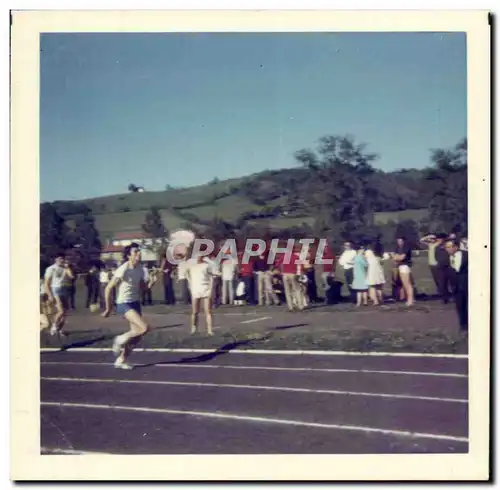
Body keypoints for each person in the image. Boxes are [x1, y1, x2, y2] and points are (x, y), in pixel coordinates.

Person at [102, 243, 158, 369]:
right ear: (128, 256)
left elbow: (143, 289)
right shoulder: (123, 268)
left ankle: (121, 360)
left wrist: (152, 283)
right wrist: (108, 308)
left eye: (139, 251)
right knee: (145, 328)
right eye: (135, 252)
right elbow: (108, 288)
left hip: (135, 302)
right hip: (124, 303)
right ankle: (119, 339)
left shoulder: (140, 268)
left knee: (137, 336)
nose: (139, 254)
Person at [44, 252, 74, 336]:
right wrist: (49, 295)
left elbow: (71, 276)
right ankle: (54, 327)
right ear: (56, 259)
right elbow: (46, 283)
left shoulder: (65, 268)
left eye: (63, 258)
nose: (62, 260)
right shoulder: (51, 269)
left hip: (65, 289)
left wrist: (67, 267)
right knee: (61, 311)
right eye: (60, 258)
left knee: (65, 313)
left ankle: (59, 329)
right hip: (56, 289)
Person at [185, 254, 216, 335]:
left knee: (208, 311)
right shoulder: (191, 266)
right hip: (195, 290)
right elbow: (186, 274)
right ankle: (193, 328)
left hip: (205, 290)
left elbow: (211, 278)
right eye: (197, 255)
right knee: (195, 312)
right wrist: (190, 284)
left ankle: (209, 330)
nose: (198, 257)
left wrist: (210, 289)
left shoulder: (206, 265)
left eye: (200, 255)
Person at [445, 238, 468, 332]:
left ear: (456, 246)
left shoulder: (467, 255)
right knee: (460, 306)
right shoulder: (446, 258)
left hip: (467, 283)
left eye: (451, 247)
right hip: (455, 286)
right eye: (447, 247)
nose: (449, 249)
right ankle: (463, 326)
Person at [393, 236, 414, 306]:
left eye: (400, 241)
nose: (399, 242)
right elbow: (394, 257)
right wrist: (397, 257)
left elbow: (401, 258)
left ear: (403, 241)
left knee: (407, 284)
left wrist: (397, 257)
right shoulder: (398, 248)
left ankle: (410, 300)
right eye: (398, 241)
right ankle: (409, 299)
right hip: (400, 266)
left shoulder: (406, 247)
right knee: (405, 284)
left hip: (405, 266)